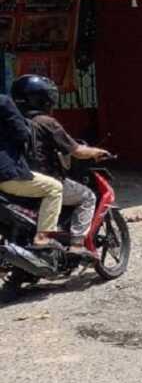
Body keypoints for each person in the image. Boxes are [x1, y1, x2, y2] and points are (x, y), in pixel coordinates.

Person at [11, 75, 110, 258]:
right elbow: (77, 151)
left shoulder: (11, 121)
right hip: (43, 179)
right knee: (87, 196)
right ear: (45, 99)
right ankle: (77, 244)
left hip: (14, 178)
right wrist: (96, 152)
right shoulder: (46, 122)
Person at [0, 86, 63, 249]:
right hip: (6, 173)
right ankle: (43, 237)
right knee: (55, 188)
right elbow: (22, 133)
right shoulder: (3, 102)